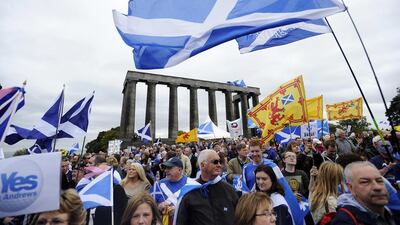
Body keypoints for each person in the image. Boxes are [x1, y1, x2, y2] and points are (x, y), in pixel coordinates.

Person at [175, 149, 239, 225]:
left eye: (220, 162)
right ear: (202, 165)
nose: (219, 165)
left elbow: (239, 218)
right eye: (215, 162)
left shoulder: (230, 190)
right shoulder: (189, 191)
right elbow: (181, 221)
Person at [331, 161, 400, 225]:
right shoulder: (344, 221)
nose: (377, 187)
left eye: (379, 181)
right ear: (351, 188)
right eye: (365, 182)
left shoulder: (393, 214)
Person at [153, 157, 197, 225]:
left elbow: (198, 210)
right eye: (166, 168)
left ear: (180, 170)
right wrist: (159, 206)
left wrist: (179, 210)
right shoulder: (158, 185)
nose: (166, 170)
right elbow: (149, 205)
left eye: (170, 168)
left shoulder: (192, 185)